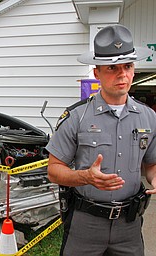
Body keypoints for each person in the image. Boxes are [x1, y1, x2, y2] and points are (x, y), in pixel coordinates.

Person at [46, 24, 156, 256]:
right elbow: (54, 170)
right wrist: (84, 177)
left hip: (129, 225)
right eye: (112, 68)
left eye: (127, 66)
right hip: (86, 224)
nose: (122, 74)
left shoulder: (148, 116)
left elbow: (151, 164)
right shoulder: (76, 117)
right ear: (97, 73)